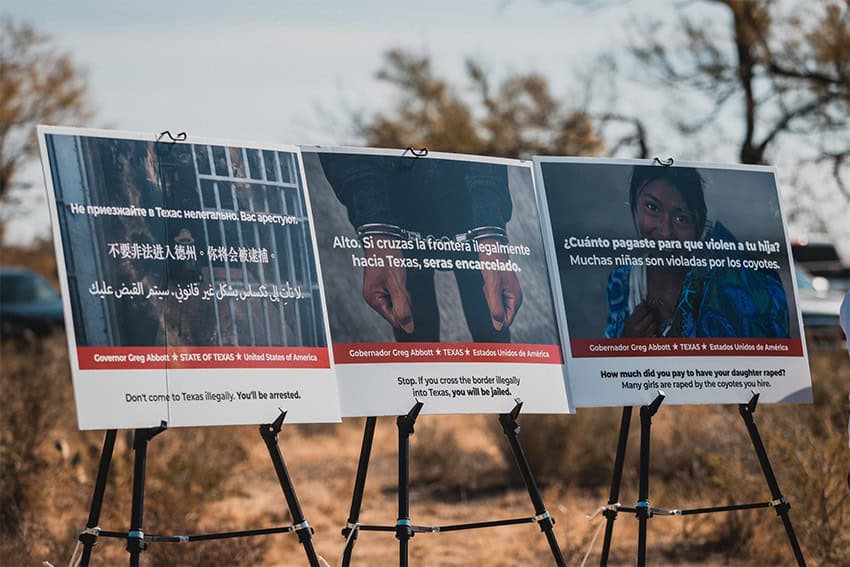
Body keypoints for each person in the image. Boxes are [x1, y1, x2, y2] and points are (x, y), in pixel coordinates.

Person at [319, 153, 522, 343]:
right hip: (401, 211)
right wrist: (376, 227)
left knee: (489, 321)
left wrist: (490, 229)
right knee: (414, 327)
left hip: (423, 208)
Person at [606, 166, 790, 339]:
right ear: (634, 204)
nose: (665, 231)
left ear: (699, 225)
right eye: (652, 208)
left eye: (681, 218)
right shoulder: (623, 281)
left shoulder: (733, 284)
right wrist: (626, 344)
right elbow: (604, 367)